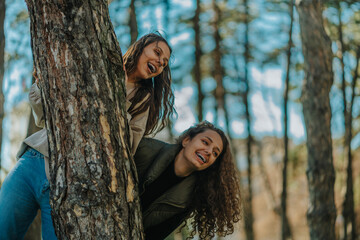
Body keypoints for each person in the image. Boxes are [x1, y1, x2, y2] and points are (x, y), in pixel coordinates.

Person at [0, 33, 175, 240]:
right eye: (157, 53)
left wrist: (115, 108)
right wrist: (42, 85)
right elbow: (45, 116)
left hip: (69, 183)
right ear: (140, 47)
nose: (159, 62)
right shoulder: (99, 65)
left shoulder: (142, 100)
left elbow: (126, 148)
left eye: (164, 63)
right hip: (34, 161)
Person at [134, 121, 242, 240]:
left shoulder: (190, 198)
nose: (209, 152)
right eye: (205, 142)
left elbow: (154, 236)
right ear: (186, 141)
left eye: (215, 153)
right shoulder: (144, 148)